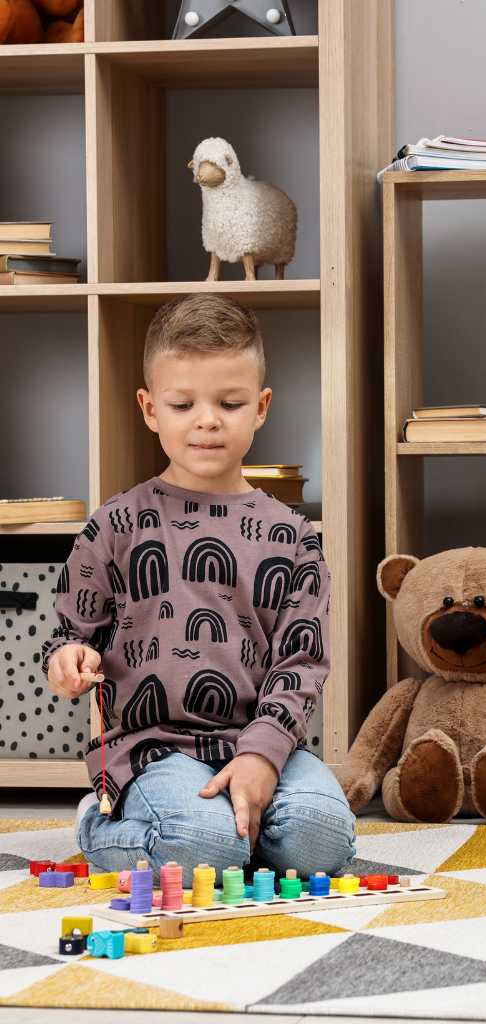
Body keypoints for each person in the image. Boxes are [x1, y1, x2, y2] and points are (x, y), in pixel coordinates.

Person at [42, 294, 356, 885]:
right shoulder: (115, 523)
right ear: (149, 408)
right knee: (200, 849)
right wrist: (67, 660)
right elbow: (69, 634)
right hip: (155, 748)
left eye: (229, 403)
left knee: (323, 841)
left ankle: (240, 827)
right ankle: (100, 824)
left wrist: (261, 756)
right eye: (183, 404)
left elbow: (303, 661)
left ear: (261, 407)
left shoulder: (292, 536)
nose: (207, 420)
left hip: (263, 738)